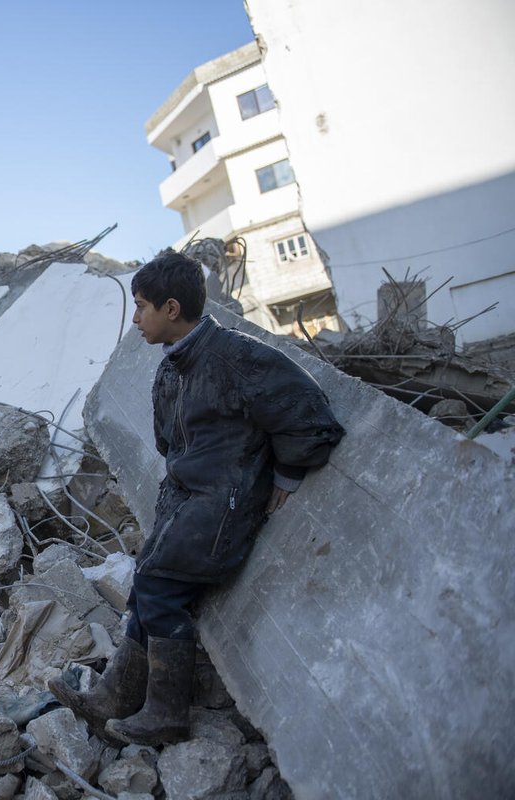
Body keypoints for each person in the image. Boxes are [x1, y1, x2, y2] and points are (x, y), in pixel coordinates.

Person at [49, 251, 344, 746]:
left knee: (160, 589)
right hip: (185, 500)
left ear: (170, 308)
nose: (136, 318)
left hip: (223, 505)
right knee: (146, 584)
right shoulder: (171, 368)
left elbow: (309, 415)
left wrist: (287, 475)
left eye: (141, 307)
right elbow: (170, 443)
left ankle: (166, 714)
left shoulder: (236, 356)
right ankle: (115, 697)